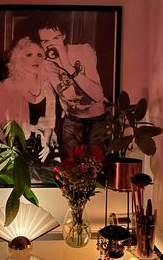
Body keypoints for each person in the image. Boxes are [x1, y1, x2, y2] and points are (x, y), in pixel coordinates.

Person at [33, 14, 108, 159]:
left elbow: (98, 96)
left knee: (97, 169)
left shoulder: (84, 51)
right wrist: (49, 131)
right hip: (71, 121)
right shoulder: (45, 65)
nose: (51, 45)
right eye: (45, 41)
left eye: (56, 38)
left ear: (64, 36)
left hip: (97, 120)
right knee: (68, 170)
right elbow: (51, 99)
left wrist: (66, 65)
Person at [0, 36, 58, 166]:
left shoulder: (47, 88)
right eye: (29, 54)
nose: (35, 59)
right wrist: (8, 149)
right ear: (19, 58)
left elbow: (50, 123)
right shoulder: (6, 86)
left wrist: (47, 143)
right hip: (12, 155)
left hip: (40, 154)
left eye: (39, 55)